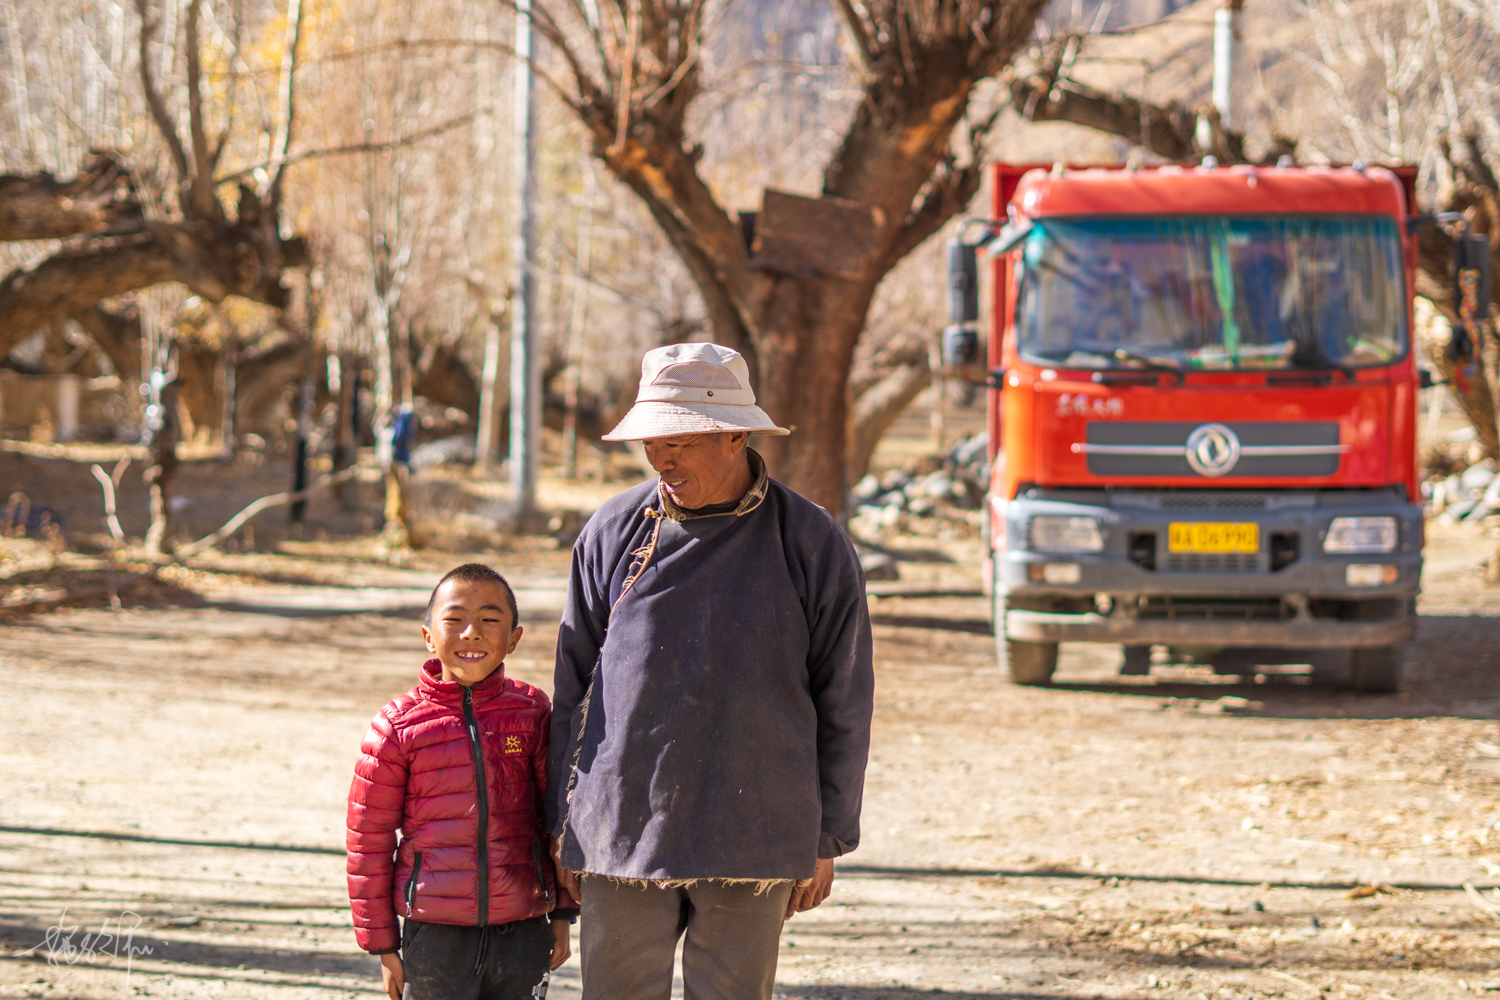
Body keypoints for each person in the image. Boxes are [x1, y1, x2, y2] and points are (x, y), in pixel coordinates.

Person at [547, 342, 875, 999]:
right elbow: (572, 686)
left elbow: (844, 697)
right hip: (623, 828)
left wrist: (827, 835)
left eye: (680, 439)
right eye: (652, 441)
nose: (660, 456)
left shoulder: (809, 541)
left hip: (754, 830)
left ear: (734, 434)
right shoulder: (614, 532)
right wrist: (562, 819)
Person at [347, 563, 579, 1000]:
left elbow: (558, 819)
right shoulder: (395, 728)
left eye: (490, 620)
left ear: (514, 638)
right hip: (434, 933)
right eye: (454, 619)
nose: (471, 632)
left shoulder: (532, 712)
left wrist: (563, 915)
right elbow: (368, 841)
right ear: (428, 636)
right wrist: (383, 944)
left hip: (523, 927)